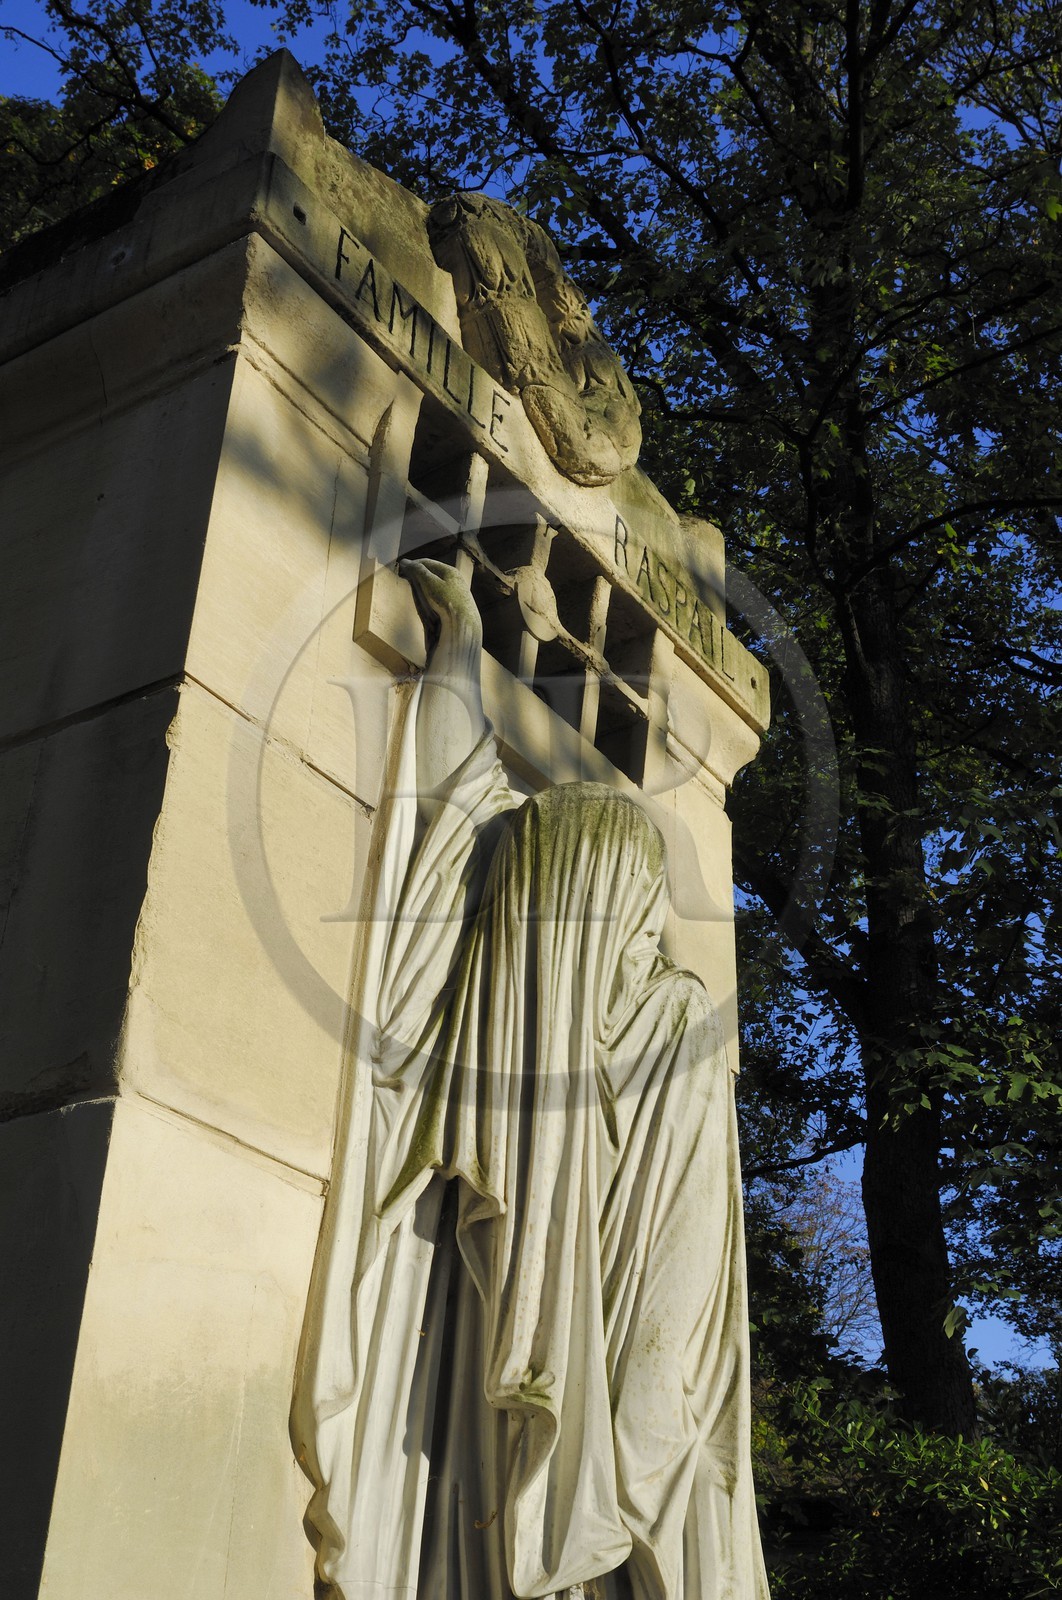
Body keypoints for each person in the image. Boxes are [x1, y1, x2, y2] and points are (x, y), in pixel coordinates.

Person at [291, 560, 770, 1600]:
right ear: (628, 898)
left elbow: (457, 809)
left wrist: (461, 646)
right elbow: (681, 1318)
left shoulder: (516, 1029)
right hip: (574, 1431)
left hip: (522, 1411)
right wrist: (457, 648)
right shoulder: (649, 1019)